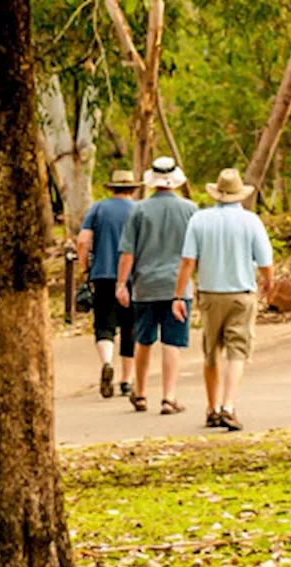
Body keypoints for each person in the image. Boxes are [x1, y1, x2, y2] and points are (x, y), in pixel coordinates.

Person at [172, 168, 274, 432]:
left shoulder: (200, 220)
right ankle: (229, 406)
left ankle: (212, 407)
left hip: (209, 294)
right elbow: (265, 262)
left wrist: (179, 294)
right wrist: (268, 283)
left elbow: (187, 261)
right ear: (240, 195)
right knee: (237, 351)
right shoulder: (251, 221)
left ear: (217, 193)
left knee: (211, 351)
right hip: (241, 294)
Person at [116, 157, 198, 415]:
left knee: (143, 339)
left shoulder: (138, 210)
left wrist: (121, 284)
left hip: (145, 286)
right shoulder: (190, 210)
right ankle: (168, 397)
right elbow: (195, 253)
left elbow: (127, 253)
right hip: (178, 287)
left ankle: (139, 394)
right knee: (172, 342)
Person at [77, 170, 141, 399]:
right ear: (133, 189)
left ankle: (106, 363)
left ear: (111, 188)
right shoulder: (138, 209)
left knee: (104, 323)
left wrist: (85, 268)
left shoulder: (98, 208)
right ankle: (126, 380)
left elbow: (83, 241)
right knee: (129, 326)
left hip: (102, 274)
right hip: (133, 276)